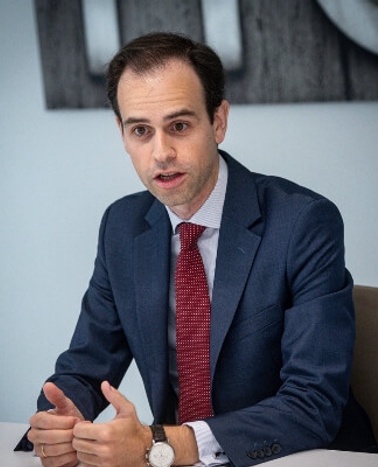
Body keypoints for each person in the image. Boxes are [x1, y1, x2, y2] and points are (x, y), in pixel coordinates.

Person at [26, 32, 376, 467]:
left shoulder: (303, 223)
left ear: (218, 121)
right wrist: (59, 420)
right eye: (141, 130)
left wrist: (164, 445)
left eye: (179, 126)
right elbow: (86, 365)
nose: (161, 153)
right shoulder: (121, 226)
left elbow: (313, 402)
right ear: (122, 134)